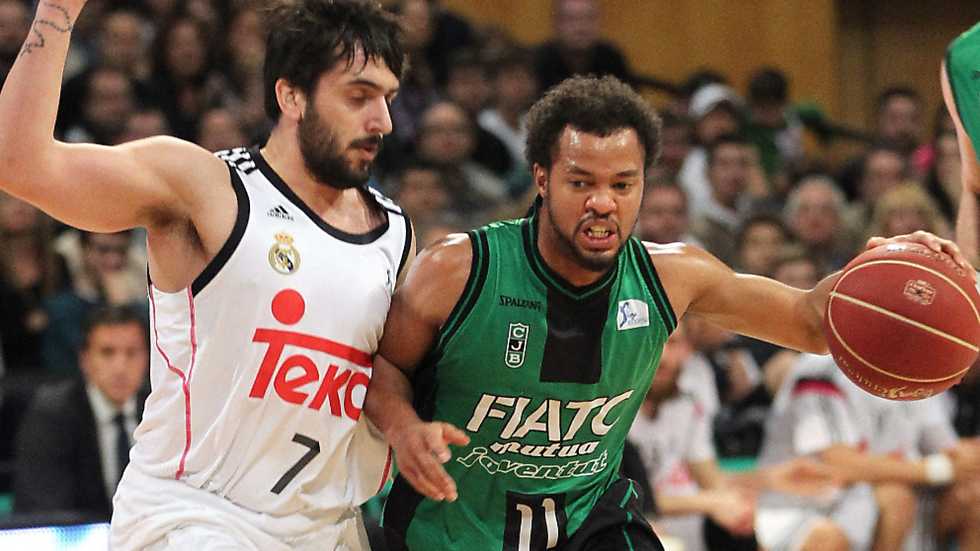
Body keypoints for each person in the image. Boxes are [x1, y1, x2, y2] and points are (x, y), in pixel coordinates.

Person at [362, 75, 970, 550]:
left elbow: (813, 322)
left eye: (623, 184)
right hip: (449, 528)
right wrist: (405, 428)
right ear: (542, 179)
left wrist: (886, 267)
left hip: (587, 522)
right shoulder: (458, 270)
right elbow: (383, 369)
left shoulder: (672, 275)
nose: (603, 202)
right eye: (582, 183)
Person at [0, 0, 411, 549]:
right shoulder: (206, 188)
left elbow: (389, 380)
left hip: (329, 528)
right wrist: (57, 11)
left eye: (388, 99)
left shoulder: (394, 233)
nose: (382, 121)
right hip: (199, 519)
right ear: (291, 96)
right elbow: (18, 163)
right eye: (359, 97)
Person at [13, 305, 148, 521]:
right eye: (107, 352)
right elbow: (45, 509)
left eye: (131, 353)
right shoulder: (52, 415)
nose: (120, 367)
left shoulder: (163, 411)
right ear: (85, 359)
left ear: (147, 358)